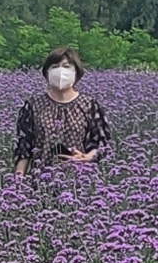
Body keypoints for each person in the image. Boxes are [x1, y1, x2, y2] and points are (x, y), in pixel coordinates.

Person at [13, 47, 109, 175]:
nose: (61, 71)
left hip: (79, 180)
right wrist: (19, 179)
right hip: (40, 181)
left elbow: (102, 143)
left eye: (66, 66)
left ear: (76, 72)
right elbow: (23, 146)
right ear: (46, 73)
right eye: (55, 66)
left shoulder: (89, 105)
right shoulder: (33, 105)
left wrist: (86, 157)